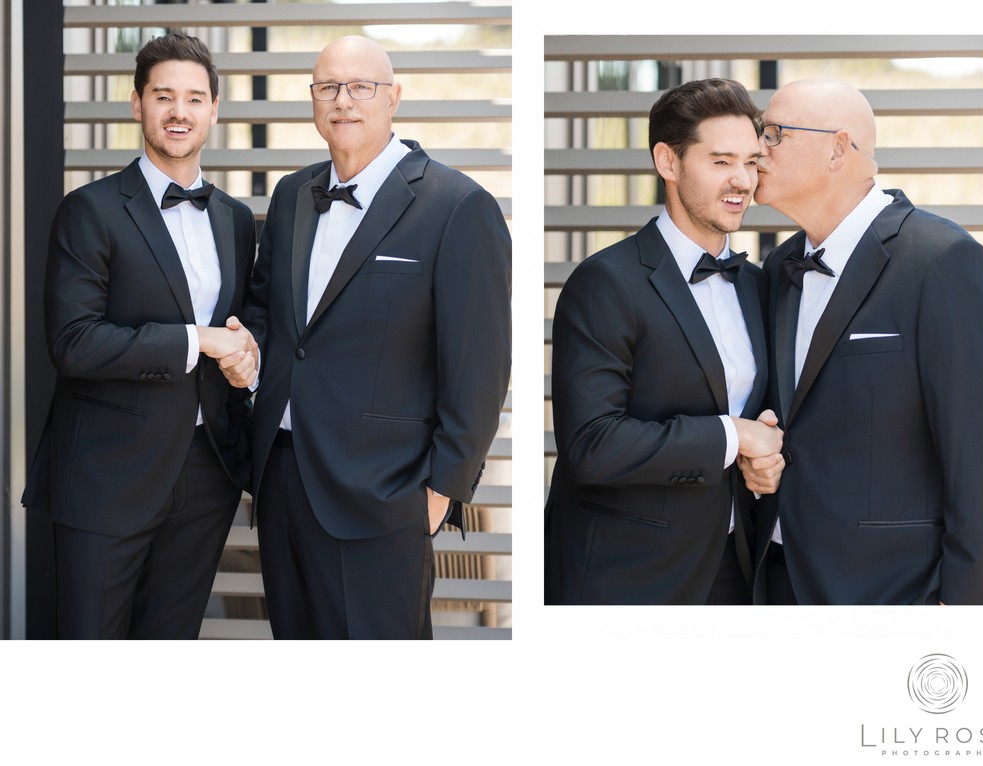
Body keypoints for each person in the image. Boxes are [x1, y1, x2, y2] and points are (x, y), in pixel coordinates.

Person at [237, 35, 511, 639]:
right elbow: (268, 314)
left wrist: (439, 493)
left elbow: (480, 369)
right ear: (313, 100)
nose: (343, 101)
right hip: (282, 482)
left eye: (361, 87)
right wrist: (245, 357)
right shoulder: (290, 196)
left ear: (393, 98)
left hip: (384, 497)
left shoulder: (458, 206)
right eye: (328, 87)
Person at [21, 33, 258, 638]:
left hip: (207, 474)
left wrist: (245, 362)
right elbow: (73, 341)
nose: (180, 111)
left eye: (195, 98)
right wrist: (195, 341)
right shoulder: (90, 210)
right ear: (137, 105)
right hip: (107, 477)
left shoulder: (233, 219)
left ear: (213, 110)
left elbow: (240, 330)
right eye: (164, 96)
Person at [544, 79, 785, 606]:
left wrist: (763, 456)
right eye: (721, 161)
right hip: (627, 575)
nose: (742, 180)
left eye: (750, 161)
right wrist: (733, 437)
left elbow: (753, 413)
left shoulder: (756, 283)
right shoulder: (605, 282)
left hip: (733, 569)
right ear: (668, 162)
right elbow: (591, 445)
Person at [747, 78, 983, 605]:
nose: (756, 150)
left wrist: (969, 612)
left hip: (893, 592)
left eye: (773, 134)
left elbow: (981, 454)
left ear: (837, 148)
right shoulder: (778, 266)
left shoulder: (941, 260)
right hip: (778, 580)